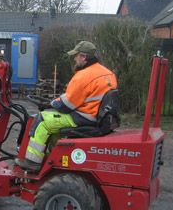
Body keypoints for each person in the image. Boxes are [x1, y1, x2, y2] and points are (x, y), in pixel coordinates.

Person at [15, 41, 118, 172]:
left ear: (83, 57)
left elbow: (67, 104)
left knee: (42, 120)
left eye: (76, 56)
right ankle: (54, 157)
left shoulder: (84, 76)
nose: (75, 59)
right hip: (98, 115)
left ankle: (33, 162)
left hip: (85, 116)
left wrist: (52, 103)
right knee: (53, 125)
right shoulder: (108, 73)